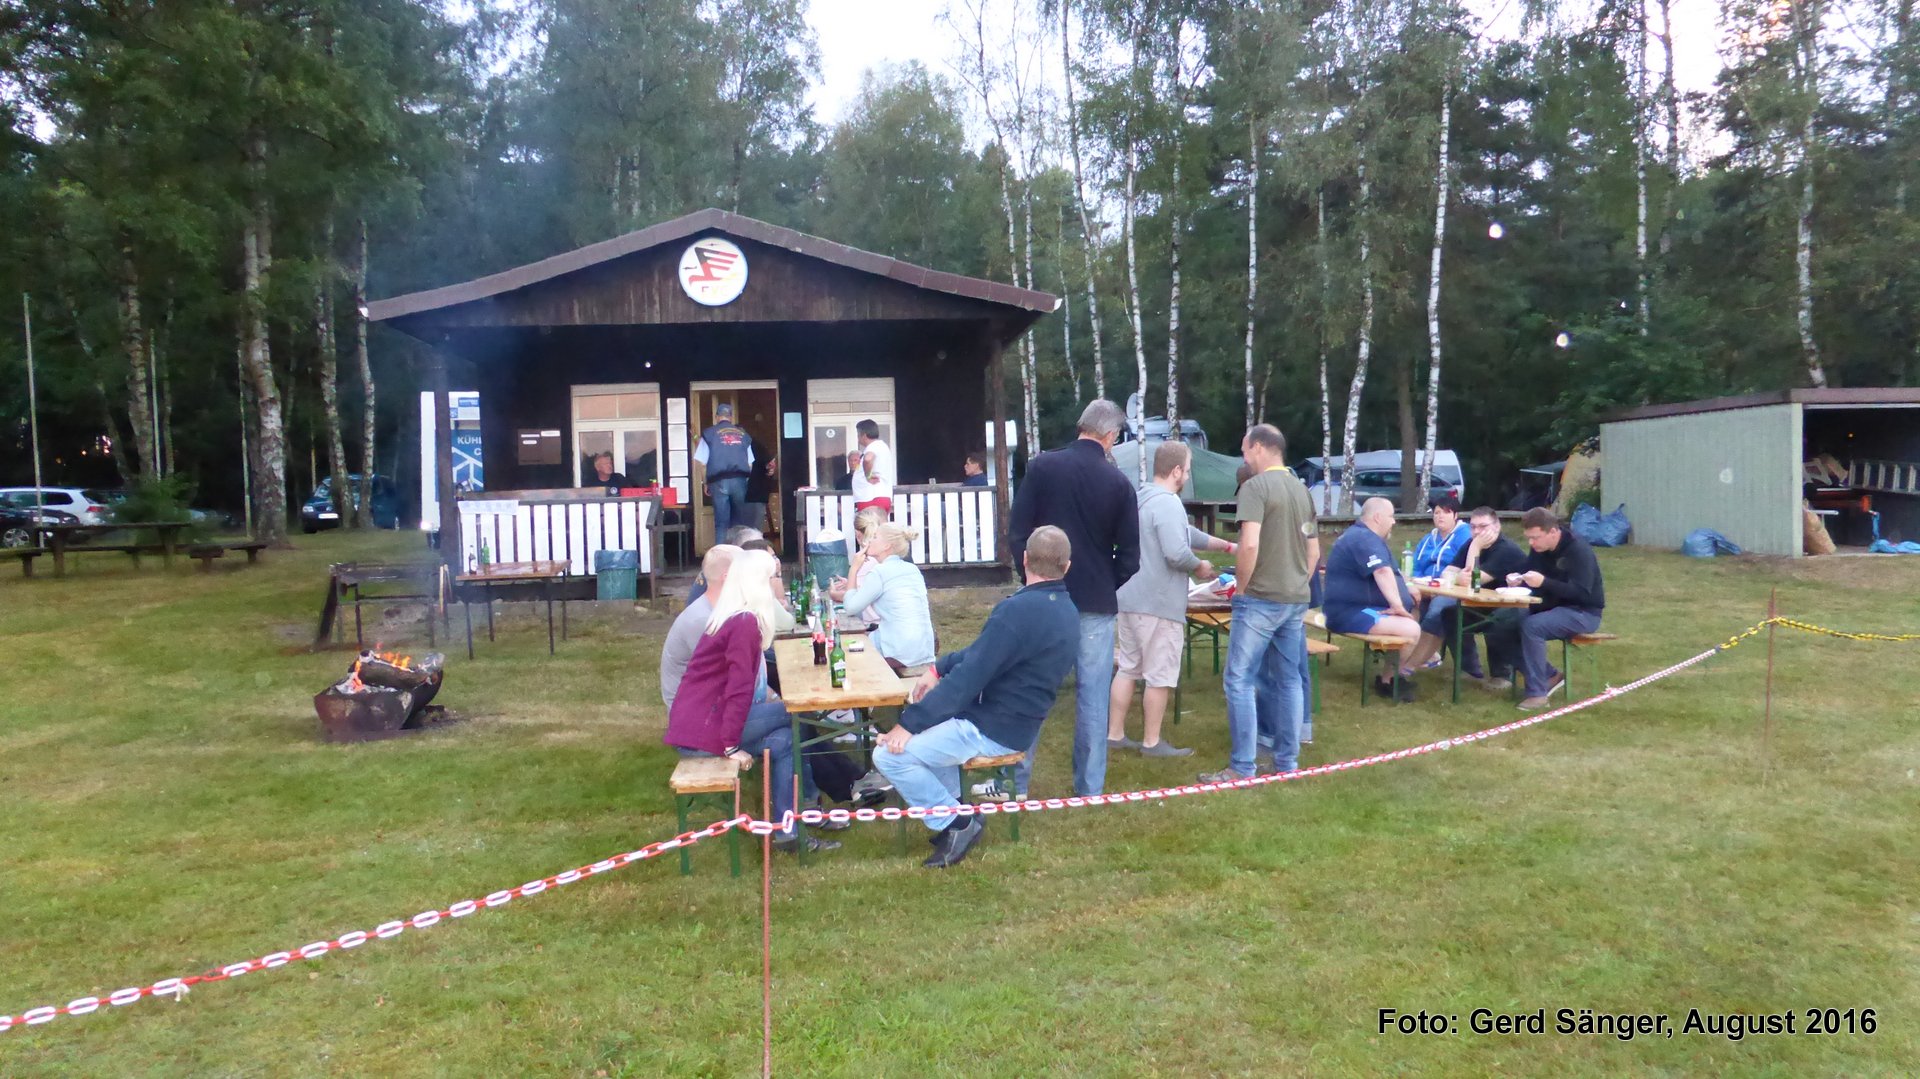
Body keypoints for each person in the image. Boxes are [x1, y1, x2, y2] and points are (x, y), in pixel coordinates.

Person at [875, 526, 1079, 868]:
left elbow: (970, 678)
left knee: (889, 757)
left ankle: (957, 823)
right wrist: (939, 669)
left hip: (991, 729)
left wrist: (909, 724)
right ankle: (955, 812)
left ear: (1024, 559)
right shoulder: (1067, 612)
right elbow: (984, 654)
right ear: (1067, 567)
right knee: (928, 735)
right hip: (1017, 724)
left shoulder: (1018, 611)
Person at [663, 549, 838, 853]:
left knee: (785, 740)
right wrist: (731, 746)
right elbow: (739, 690)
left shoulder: (732, 614)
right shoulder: (744, 622)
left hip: (697, 723)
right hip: (704, 730)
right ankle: (810, 805)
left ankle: (788, 831)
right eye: (771, 578)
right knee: (797, 712)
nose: (774, 584)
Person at [1007, 399, 1140, 798]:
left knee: (1030, 689)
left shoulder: (1044, 466)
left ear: (1082, 425)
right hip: (1095, 602)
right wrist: (1104, 582)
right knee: (1093, 698)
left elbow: (1017, 532)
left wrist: (1031, 577)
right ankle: (1089, 788)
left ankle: (1016, 784)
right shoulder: (1119, 483)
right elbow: (1131, 558)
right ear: (1111, 435)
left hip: (1043, 597)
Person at [1200, 424, 1318, 784]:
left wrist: (1243, 589)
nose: (1244, 458)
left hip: (1261, 599)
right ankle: (1287, 762)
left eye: (1245, 451)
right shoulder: (1302, 490)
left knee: (1238, 680)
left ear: (1260, 448)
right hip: (1295, 600)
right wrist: (1298, 581)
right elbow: (1313, 550)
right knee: (1289, 681)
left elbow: (1248, 545)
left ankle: (1242, 766)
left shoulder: (1255, 488)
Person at [1109, 441, 1233, 758]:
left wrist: (1225, 546)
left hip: (1129, 599)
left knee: (1127, 668)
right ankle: (1152, 742)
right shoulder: (1168, 503)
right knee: (1159, 675)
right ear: (1176, 470)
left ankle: (1115, 734)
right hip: (1158, 603)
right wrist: (1201, 566)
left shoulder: (1141, 498)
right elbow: (1177, 552)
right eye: (1187, 470)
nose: (1187, 475)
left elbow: (1184, 534)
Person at [1488, 506, 1606, 709]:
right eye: (1529, 538)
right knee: (1499, 623)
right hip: (1549, 607)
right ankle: (1548, 675)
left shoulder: (1578, 551)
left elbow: (1582, 593)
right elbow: (1528, 572)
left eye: (1536, 538)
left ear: (1553, 532)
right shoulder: (1539, 550)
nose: (1532, 543)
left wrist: (1544, 583)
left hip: (1582, 612)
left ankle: (1538, 694)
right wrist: (1517, 578)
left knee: (1533, 626)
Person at [1397, 506, 1528, 684]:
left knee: (1495, 621)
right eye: (1473, 527)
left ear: (1497, 526)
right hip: (1478, 603)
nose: (1477, 531)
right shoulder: (1471, 544)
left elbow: (1472, 581)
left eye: (1483, 526)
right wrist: (1460, 573)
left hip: (1511, 607)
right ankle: (1469, 669)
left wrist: (1475, 547)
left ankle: (1502, 675)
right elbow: (1447, 573)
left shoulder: (1505, 550)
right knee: (1447, 614)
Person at [1322, 497, 1424, 702]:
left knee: (1414, 615)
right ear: (1377, 517)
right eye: (1391, 516)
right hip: (1348, 612)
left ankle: (1396, 674)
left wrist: (1408, 587)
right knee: (1411, 629)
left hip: (1360, 608)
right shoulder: (1363, 539)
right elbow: (1382, 571)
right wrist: (1397, 606)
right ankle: (1387, 681)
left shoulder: (1369, 538)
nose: (1394, 521)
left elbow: (1393, 571)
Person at [828, 523, 937, 670]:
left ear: (887, 546)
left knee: (842, 653)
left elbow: (850, 607)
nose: (869, 540)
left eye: (874, 537)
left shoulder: (879, 572)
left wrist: (854, 568)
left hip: (900, 650)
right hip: (924, 648)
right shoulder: (912, 569)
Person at [1408, 495, 1475, 673]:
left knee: (1438, 610)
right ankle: (1406, 651)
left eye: (1446, 512)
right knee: (1406, 602)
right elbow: (1416, 566)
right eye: (1437, 512)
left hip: (1452, 590)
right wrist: (1417, 583)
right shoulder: (1428, 539)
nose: (1440, 516)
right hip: (1426, 588)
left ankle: (1423, 655)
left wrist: (1442, 586)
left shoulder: (1465, 536)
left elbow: (1465, 569)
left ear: (1455, 515)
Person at [694, 402, 755, 540]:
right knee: (740, 523)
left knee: (721, 524)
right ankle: (739, 555)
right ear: (731, 417)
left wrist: (705, 483)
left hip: (718, 481)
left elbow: (702, 463)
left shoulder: (709, 434)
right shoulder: (743, 435)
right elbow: (750, 464)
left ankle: (721, 557)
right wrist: (744, 482)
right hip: (739, 480)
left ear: (717, 417)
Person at [847, 419, 895, 513]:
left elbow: (868, 459)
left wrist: (868, 476)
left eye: (858, 435)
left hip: (871, 498)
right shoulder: (880, 446)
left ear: (864, 435)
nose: (858, 438)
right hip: (876, 497)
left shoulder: (874, 446)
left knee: (869, 526)